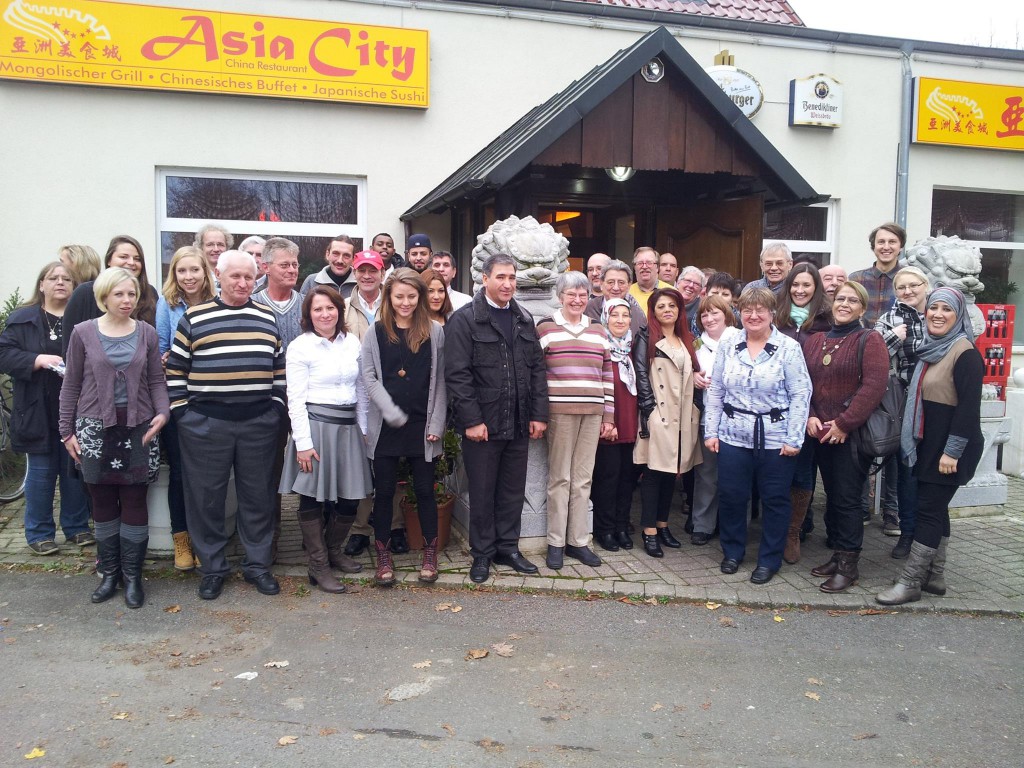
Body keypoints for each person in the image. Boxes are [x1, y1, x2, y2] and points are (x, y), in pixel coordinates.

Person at [166, 250, 286, 601]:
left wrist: (276, 408)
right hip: (206, 424)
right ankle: (213, 569)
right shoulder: (194, 316)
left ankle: (257, 566)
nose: (243, 283)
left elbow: (278, 368)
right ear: (218, 276)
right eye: (235, 276)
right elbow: (176, 370)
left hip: (258, 423)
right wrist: (183, 415)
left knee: (259, 497)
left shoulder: (266, 316)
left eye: (249, 277)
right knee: (206, 500)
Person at [59, 268, 169, 608]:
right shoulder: (83, 333)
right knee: (102, 502)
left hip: (139, 427)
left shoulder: (147, 333)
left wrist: (163, 413)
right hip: (94, 428)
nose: (127, 300)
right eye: (119, 294)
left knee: (135, 500)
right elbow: (71, 384)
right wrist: (66, 431)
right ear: (104, 296)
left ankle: (133, 576)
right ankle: (110, 574)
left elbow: (156, 380)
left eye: (131, 294)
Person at [445, 253, 549, 583]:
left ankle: (508, 548)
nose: (507, 284)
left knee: (512, 491)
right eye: (501, 277)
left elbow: (537, 370)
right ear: (485, 279)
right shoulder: (465, 320)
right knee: (482, 491)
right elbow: (457, 375)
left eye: (512, 278)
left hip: (518, 422)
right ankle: (482, 553)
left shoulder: (523, 318)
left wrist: (538, 414)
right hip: (483, 425)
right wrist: (472, 420)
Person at [877, 288, 983, 605]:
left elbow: (968, 410)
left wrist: (952, 452)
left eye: (946, 309)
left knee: (927, 512)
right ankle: (934, 577)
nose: (937, 314)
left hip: (950, 449)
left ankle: (911, 581)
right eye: (933, 307)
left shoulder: (965, 354)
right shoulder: (930, 349)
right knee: (936, 509)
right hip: (931, 445)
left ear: (958, 315)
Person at [704, 287, 811, 584]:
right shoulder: (729, 343)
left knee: (775, 499)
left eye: (760, 310)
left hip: (776, 437)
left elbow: (801, 394)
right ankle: (732, 552)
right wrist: (711, 431)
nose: (753, 315)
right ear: (739, 314)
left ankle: (769, 559)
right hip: (732, 434)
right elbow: (716, 389)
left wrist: (794, 439)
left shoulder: (788, 347)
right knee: (732, 496)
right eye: (747, 310)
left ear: (772, 314)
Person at [278, 286, 372, 593]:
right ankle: (317, 565)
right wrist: (303, 443)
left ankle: (333, 551)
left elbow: (361, 388)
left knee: (350, 496)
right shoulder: (300, 347)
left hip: (348, 427)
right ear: (308, 314)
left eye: (330, 308)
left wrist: (363, 428)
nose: (325, 314)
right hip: (315, 428)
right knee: (311, 496)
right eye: (317, 309)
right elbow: (295, 398)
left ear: (338, 311)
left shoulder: (352, 342)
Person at [362, 269, 448, 585]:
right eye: (399, 296)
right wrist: (390, 411)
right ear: (389, 297)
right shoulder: (375, 332)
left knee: (425, 490)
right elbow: (368, 377)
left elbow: (441, 380)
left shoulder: (435, 332)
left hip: (423, 426)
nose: (406, 302)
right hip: (386, 425)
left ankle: (430, 552)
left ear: (420, 297)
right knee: (384, 491)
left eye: (412, 296)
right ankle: (383, 555)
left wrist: (437, 422)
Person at [0, 262, 92, 555]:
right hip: (36, 408)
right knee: (41, 474)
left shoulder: (83, 319)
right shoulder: (23, 318)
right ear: (42, 284)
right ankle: (39, 533)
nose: (60, 282)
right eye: (53, 278)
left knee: (73, 469)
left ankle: (76, 527)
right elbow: (4, 354)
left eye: (67, 278)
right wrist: (36, 360)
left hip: (75, 407)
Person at [803, 280, 889, 592]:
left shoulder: (870, 339)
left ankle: (848, 566)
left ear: (862, 309)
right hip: (821, 434)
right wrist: (811, 414)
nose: (844, 305)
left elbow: (874, 387)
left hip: (850, 436)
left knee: (848, 499)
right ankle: (838, 555)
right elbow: (805, 383)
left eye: (853, 301)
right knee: (833, 497)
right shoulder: (816, 340)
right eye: (840, 299)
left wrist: (843, 424)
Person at [536, 271, 614, 569]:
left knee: (583, 479)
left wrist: (609, 415)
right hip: (559, 413)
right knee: (560, 478)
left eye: (583, 295)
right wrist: (538, 414)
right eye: (571, 294)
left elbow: (607, 374)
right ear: (560, 297)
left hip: (593, 412)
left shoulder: (598, 330)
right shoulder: (545, 328)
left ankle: (578, 542)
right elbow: (536, 375)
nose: (578, 300)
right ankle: (555, 543)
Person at [338, 250, 410, 558]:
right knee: (364, 467)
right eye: (362, 270)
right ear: (354, 273)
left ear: (382, 273)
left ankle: (395, 526)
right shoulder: (342, 308)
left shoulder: (394, 304)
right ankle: (360, 529)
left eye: (373, 270)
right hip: (359, 396)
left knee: (393, 465)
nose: (367, 276)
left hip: (392, 394)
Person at [155, 245, 215, 570]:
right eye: (182, 271)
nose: (188, 276)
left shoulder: (217, 303)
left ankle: (206, 540)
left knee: (207, 474)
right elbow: (161, 351)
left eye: (194, 269)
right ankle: (182, 539)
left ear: (205, 272)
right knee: (179, 471)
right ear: (174, 274)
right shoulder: (167, 304)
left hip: (209, 399)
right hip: (178, 398)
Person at [633, 287, 702, 558]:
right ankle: (649, 530)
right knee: (653, 473)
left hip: (683, 416)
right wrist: (649, 410)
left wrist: (695, 407)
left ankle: (663, 525)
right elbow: (641, 374)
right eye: (661, 306)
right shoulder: (646, 337)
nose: (667, 310)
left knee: (672, 472)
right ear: (653, 311)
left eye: (672, 306)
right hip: (659, 413)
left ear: (679, 310)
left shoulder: (687, 339)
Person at [774, 263, 831, 564]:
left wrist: (811, 411)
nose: (800, 290)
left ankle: (793, 532)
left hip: (810, 410)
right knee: (776, 470)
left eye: (806, 285)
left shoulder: (826, 321)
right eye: (795, 284)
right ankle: (775, 527)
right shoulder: (776, 319)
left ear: (816, 288)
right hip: (774, 410)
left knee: (802, 471)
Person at [252, 237, 304, 563]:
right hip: (265, 401)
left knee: (308, 464)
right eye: (284, 265)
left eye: (295, 264)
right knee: (267, 470)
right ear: (266, 267)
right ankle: (269, 537)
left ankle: (312, 533)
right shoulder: (252, 305)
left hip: (303, 400)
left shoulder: (308, 304)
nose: (292, 270)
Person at [876, 266, 932, 559]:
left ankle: (930, 534)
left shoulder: (939, 312)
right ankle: (908, 533)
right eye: (901, 287)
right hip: (905, 403)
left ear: (926, 285)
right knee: (908, 470)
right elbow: (874, 356)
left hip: (936, 402)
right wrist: (894, 337)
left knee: (932, 472)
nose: (908, 291)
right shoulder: (889, 319)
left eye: (914, 285)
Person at [590, 298, 647, 552]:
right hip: (609, 425)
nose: (621, 320)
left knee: (627, 479)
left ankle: (622, 526)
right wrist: (607, 419)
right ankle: (604, 529)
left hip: (631, 423)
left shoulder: (633, 348)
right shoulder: (599, 347)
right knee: (607, 478)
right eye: (615, 315)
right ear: (605, 318)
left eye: (625, 315)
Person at [689, 295, 739, 546]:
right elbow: (687, 371)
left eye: (714, 313)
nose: (709, 319)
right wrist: (693, 377)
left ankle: (732, 526)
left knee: (735, 476)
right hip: (708, 417)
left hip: (737, 419)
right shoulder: (697, 345)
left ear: (727, 314)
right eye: (704, 315)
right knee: (707, 474)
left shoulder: (742, 340)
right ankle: (702, 524)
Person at [63, 235, 158, 355]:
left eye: (137, 259)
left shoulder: (150, 293)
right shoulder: (85, 293)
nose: (131, 262)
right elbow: (70, 349)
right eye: (123, 257)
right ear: (109, 260)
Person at [851, 222, 906, 328]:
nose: (886, 247)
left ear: (901, 247)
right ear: (873, 247)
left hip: (900, 337)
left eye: (892, 242)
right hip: (861, 337)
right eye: (881, 242)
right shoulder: (856, 280)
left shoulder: (911, 280)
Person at [584, 260, 646, 334]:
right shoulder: (588, 309)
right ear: (601, 284)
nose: (616, 288)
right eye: (610, 282)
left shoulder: (637, 314)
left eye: (621, 283)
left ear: (629, 285)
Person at [628, 247, 672, 315]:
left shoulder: (671, 291)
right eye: (640, 263)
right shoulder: (627, 293)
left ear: (657, 267)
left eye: (649, 263)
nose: (644, 267)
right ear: (634, 268)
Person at [676, 266, 706, 333]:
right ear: (678, 283)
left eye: (696, 284)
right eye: (688, 281)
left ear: (700, 290)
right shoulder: (666, 302)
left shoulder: (703, 310)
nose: (691, 285)